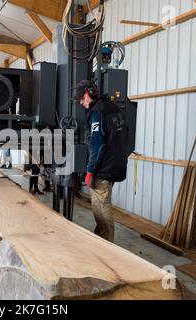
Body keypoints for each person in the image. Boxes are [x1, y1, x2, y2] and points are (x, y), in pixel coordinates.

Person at [72, 80, 129, 242]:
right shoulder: (114, 108)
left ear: (90, 93)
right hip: (117, 164)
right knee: (103, 204)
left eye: (82, 98)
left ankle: (107, 246)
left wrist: (90, 171)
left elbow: (98, 146)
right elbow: (126, 135)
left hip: (103, 169)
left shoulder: (97, 113)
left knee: (101, 208)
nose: (81, 102)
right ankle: (100, 240)